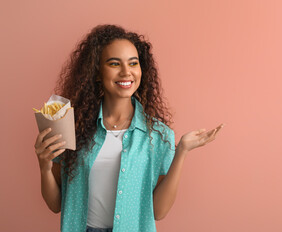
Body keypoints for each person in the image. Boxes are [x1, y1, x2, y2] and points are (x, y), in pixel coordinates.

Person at [34, 24, 225, 232]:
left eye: (133, 63)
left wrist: (181, 152)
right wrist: (44, 167)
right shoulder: (73, 128)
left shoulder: (159, 135)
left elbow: (159, 212)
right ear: (97, 72)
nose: (126, 72)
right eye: (114, 64)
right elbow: (55, 205)